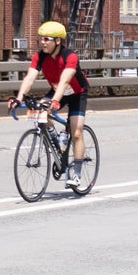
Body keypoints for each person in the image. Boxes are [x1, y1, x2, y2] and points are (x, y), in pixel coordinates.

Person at [8, 21, 91, 187]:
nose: (43, 42)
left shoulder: (70, 56)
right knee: (39, 111)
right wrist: (18, 98)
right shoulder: (40, 56)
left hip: (76, 93)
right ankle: (55, 135)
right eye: (41, 39)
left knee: (76, 133)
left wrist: (55, 101)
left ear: (58, 41)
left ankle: (76, 174)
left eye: (47, 39)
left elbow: (64, 81)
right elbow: (30, 78)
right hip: (56, 90)